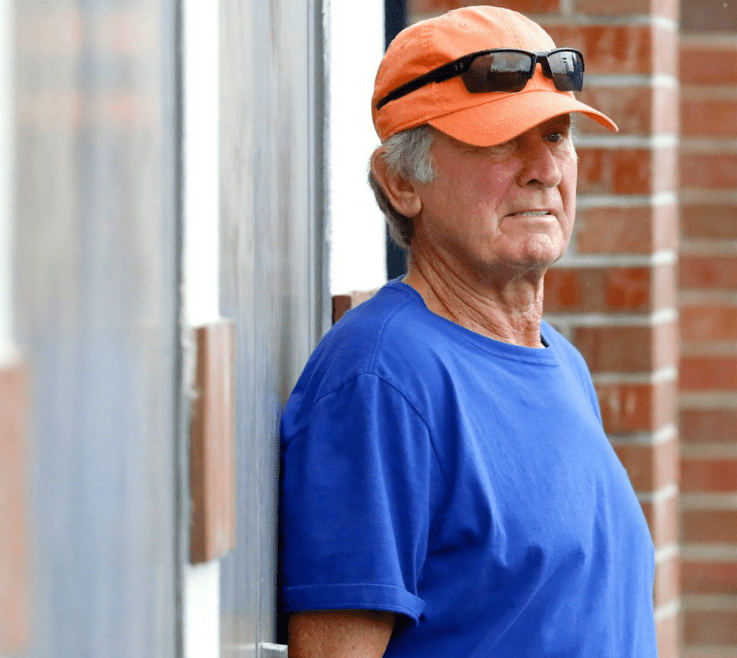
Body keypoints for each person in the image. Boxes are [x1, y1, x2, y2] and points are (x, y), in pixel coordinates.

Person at [278, 5, 658, 658]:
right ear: (402, 182)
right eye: (501, 140)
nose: (544, 168)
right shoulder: (381, 380)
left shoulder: (561, 362)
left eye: (557, 134)